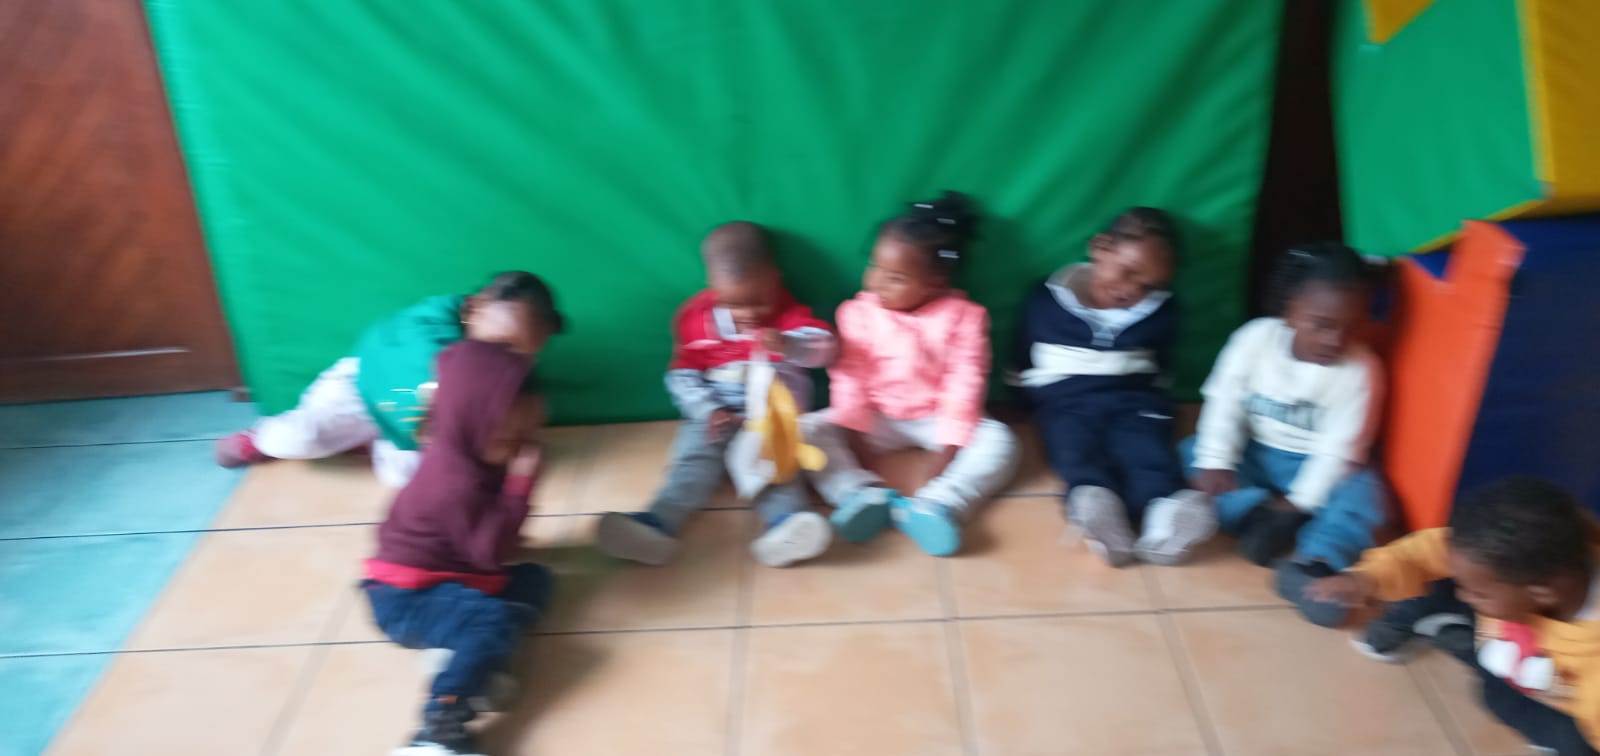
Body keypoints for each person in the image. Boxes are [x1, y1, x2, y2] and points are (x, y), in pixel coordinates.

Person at [595, 222, 838, 568]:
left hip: (769, 417)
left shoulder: (790, 315)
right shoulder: (694, 318)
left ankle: (787, 524)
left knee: (776, 469)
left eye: (758, 301)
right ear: (713, 287)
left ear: (774, 278)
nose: (748, 315)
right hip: (714, 412)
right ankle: (657, 523)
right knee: (692, 461)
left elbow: (827, 350)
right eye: (734, 304)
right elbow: (681, 375)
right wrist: (706, 409)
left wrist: (790, 344)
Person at [1307, 477, 1600, 756]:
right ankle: (1438, 621)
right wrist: (1365, 579)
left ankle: (1456, 633)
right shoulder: (1531, 555)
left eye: (1479, 594)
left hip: (1553, 695)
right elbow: (1424, 553)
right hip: (1508, 632)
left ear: (1542, 593)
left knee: (1500, 700)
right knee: (1439, 577)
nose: (1465, 595)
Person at [362, 340, 555, 756]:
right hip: (406, 597)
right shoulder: (455, 483)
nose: (521, 447)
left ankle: (470, 655)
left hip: (454, 575)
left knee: (535, 580)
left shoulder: (471, 454)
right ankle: (438, 724)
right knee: (490, 618)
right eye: (510, 438)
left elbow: (484, 544)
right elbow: (492, 552)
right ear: (469, 422)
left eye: (530, 434)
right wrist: (520, 487)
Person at [802, 191, 1020, 557]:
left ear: (934, 283)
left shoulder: (965, 317)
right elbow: (850, 375)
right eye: (873, 266)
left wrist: (949, 446)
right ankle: (857, 493)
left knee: (1002, 442)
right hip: (876, 417)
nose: (875, 283)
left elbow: (965, 380)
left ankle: (940, 504)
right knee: (806, 432)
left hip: (936, 417)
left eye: (895, 278)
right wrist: (854, 431)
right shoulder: (857, 312)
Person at [1180, 242, 1386, 625]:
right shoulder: (1253, 340)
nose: (1335, 340)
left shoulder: (1361, 371)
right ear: (1289, 311)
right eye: (1322, 325)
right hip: (1255, 451)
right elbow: (1224, 403)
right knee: (1191, 454)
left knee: (1366, 496)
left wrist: (1301, 502)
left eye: (1351, 326)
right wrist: (1216, 460)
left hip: (1316, 463)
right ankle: (1256, 515)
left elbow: (1338, 451)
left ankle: (1316, 565)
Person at [214, 271, 564, 488]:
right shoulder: (427, 333)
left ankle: (370, 442)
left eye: (524, 357)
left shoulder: (501, 359)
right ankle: (259, 437)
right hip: (362, 387)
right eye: (503, 346)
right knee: (298, 438)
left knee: (407, 479)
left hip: (412, 414)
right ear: (475, 308)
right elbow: (442, 401)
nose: (509, 362)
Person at [1016, 207, 1214, 566]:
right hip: (1066, 402)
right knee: (1073, 450)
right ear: (1100, 248)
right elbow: (1020, 353)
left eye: (1149, 286)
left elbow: (1162, 363)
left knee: (1147, 452)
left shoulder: (1163, 311)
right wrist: (1019, 398)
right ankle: (1098, 506)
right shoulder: (1044, 299)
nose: (1132, 291)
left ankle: (1166, 512)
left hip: (1135, 402)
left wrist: (1155, 400)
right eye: (1128, 272)